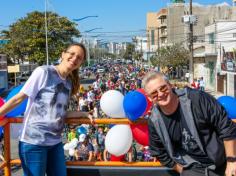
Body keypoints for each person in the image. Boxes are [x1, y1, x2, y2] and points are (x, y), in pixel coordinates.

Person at [0, 43, 94, 176]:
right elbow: (19, 98)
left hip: (55, 143)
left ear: (81, 63)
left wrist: (83, 113)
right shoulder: (44, 72)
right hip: (33, 143)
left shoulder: (68, 83)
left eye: (79, 57)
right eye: (71, 54)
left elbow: (60, 113)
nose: (74, 58)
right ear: (63, 54)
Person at [142, 71, 236, 176]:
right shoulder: (155, 120)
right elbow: (158, 151)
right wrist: (182, 170)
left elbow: (225, 126)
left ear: (170, 85)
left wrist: (231, 161)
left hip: (223, 160)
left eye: (163, 88)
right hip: (193, 168)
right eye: (154, 93)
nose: (160, 94)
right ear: (149, 98)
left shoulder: (197, 99)